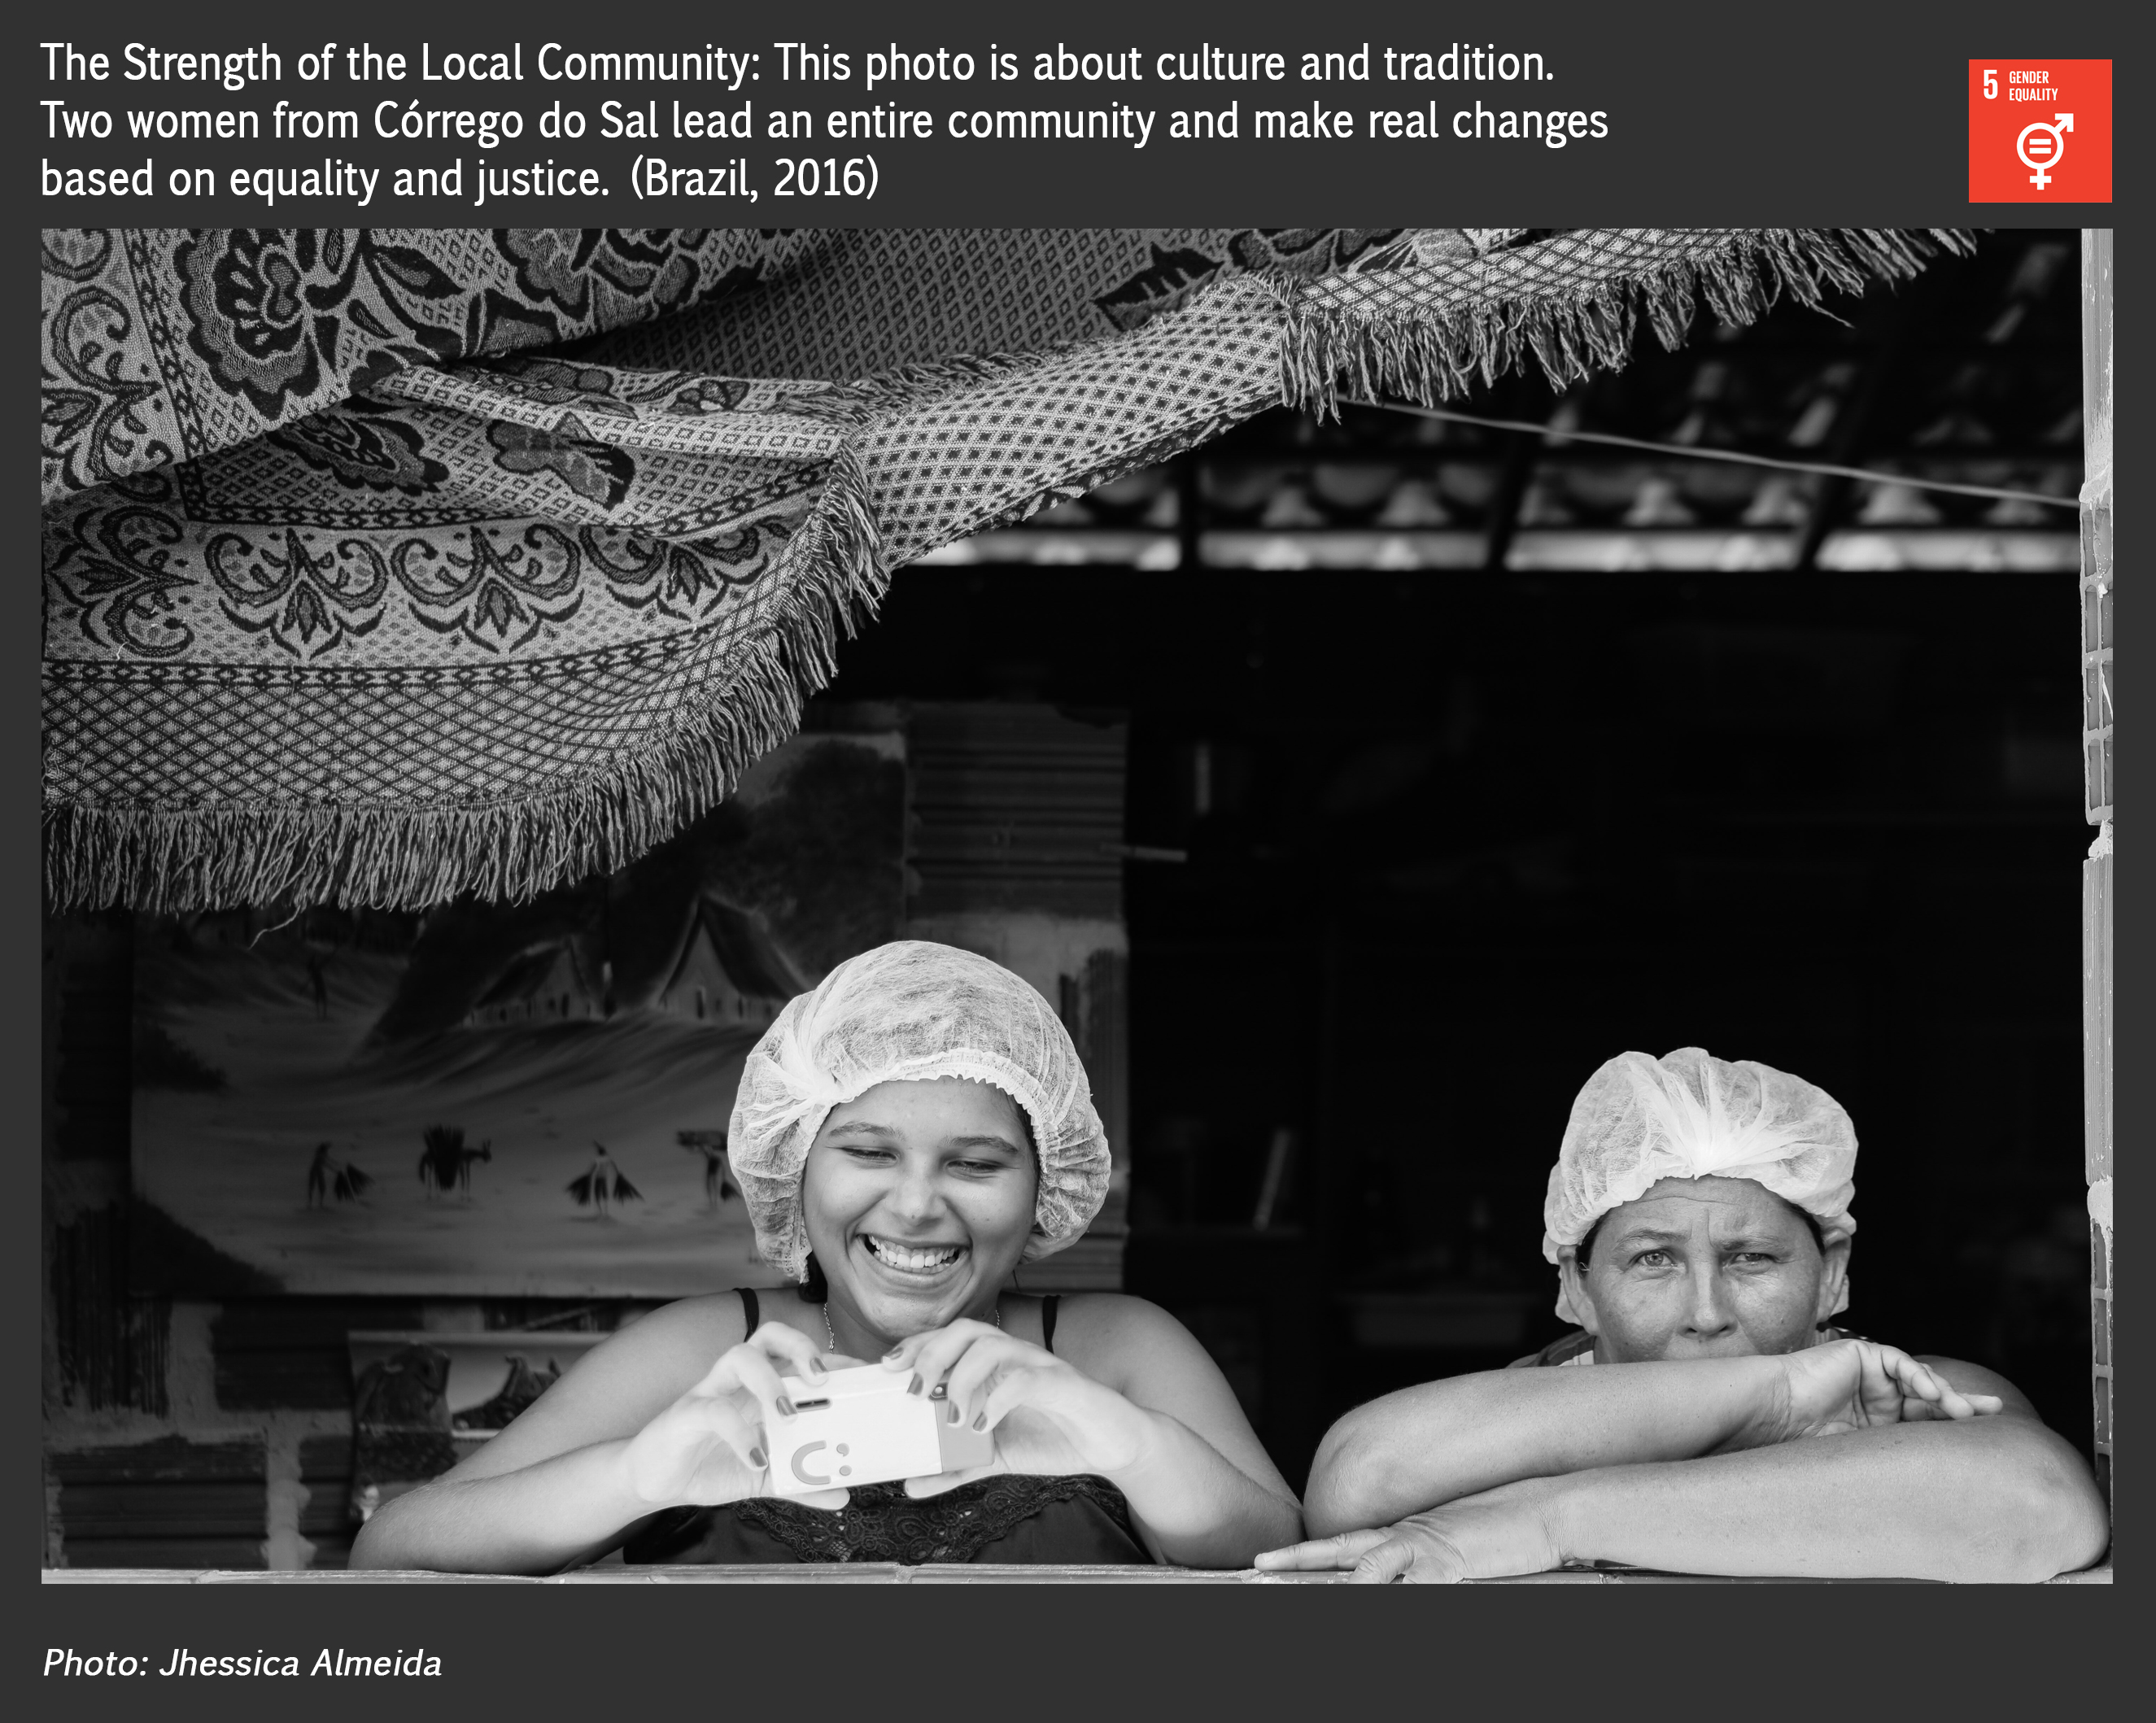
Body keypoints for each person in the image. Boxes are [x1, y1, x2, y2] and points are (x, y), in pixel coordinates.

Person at [352, 941, 1300, 1573]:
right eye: (870, 1153)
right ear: (794, 1167)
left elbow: (1280, 1559)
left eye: (975, 1164)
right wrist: (639, 1477)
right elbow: (392, 1553)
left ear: (1044, 1185)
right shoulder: (706, 1352)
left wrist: (1121, 1442)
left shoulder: (1116, 1346)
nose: (919, 1204)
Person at [1259, 1046, 2110, 1584]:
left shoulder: (1898, 1400)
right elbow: (1357, 1481)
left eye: (1751, 1259)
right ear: (1575, 1288)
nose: (1705, 1311)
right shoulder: (1517, 1416)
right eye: (1652, 1260)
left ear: (1833, 1279)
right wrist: (1769, 1394)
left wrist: (1549, 1519)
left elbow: (2036, 1500)